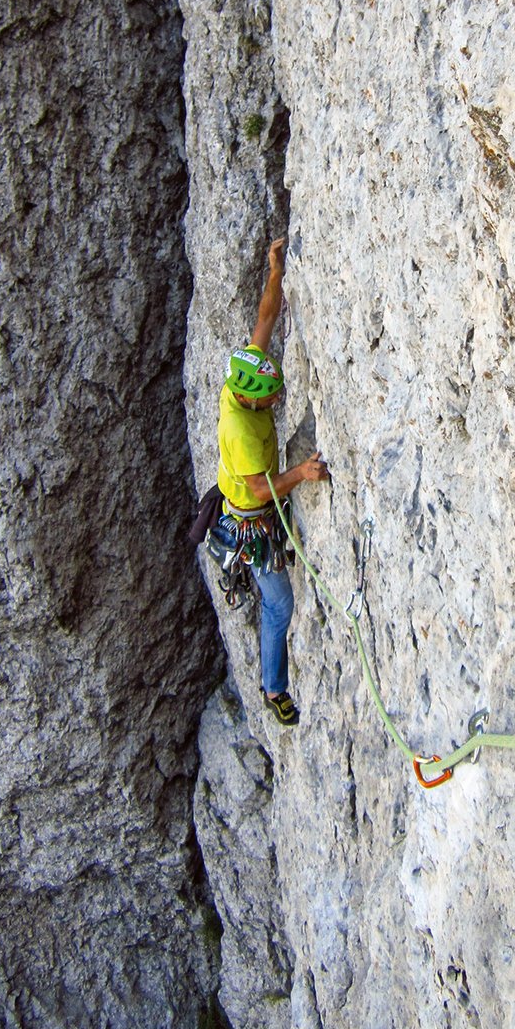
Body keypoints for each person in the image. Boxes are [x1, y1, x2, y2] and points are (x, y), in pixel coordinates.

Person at [215, 237, 329, 725]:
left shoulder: (244, 373)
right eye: (272, 399)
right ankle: (273, 688)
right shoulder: (238, 431)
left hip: (257, 506)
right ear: (253, 400)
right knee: (279, 604)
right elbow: (261, 491)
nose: (277, 401)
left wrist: (276, 271)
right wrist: (303, 473)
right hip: (250, 519)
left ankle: (272, 682)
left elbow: (265, 320)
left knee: (279, 596)